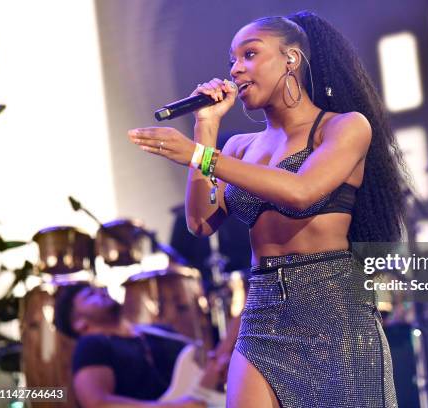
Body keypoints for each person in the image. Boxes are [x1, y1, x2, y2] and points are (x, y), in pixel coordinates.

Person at [128, 10, 409, 408]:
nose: (236, 70)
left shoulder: (344, 127)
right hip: (262, 308)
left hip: (333, 308)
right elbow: (200, 222)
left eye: (249, 55)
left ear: (291, 59)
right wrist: (205, 129)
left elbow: (301, 192)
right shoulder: (241, 147)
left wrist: (201, 157)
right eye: (231, 60)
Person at [54, 283, 228, 408]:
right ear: (79, 323)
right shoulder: (91, 345)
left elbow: (196, 384)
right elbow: (98, 403)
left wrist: (217, 370)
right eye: (90, 295)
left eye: (98, 289)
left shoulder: (160, 332)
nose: (101, 291)